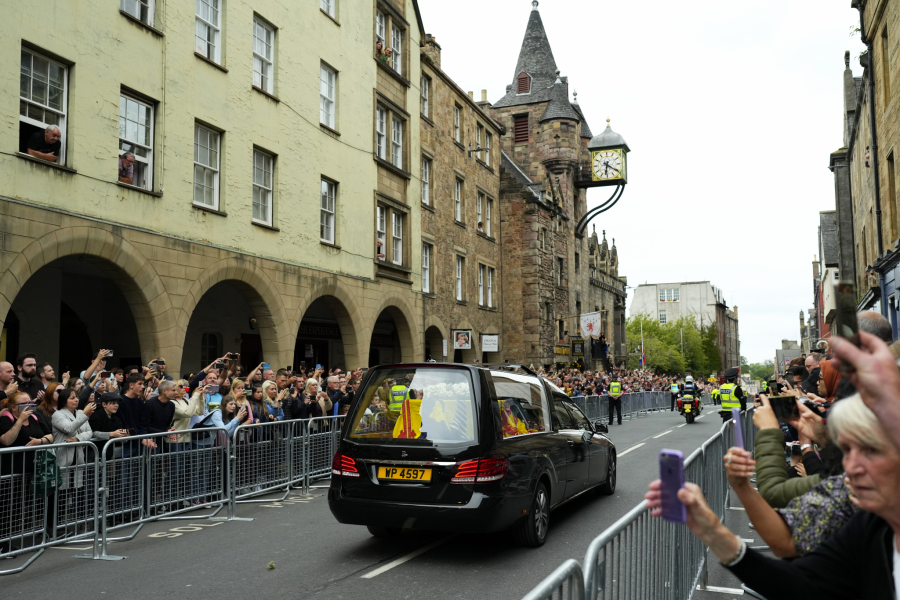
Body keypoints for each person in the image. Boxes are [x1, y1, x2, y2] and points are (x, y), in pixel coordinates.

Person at [644, 393, 900, 600]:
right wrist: (712, 531)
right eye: (845, 451)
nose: (851, 467)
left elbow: (776, 501)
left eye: (871, 451)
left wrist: (771, 433)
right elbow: (800, 587)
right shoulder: (872, 524)